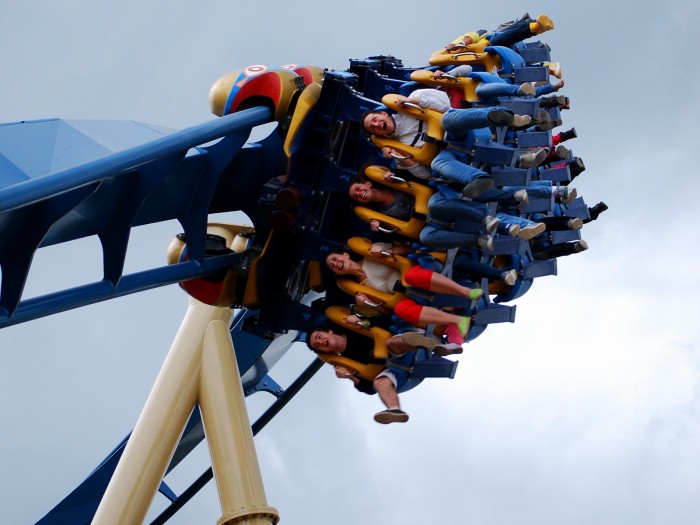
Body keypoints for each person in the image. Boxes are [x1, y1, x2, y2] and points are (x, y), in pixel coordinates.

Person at [361, 88, 533, 197]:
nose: (377, 124)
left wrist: (414, 102)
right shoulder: (397, 148)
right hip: (447, 153)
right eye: (373, 127)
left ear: (383, 114)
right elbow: (425, 174)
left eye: (375, 119)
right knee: (437, 164)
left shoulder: (410, 104)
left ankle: (498, 116)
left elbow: (444, 103)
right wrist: (403, 159)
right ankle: (479, 179)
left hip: (456, 131)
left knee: (448, 119)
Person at [325, 242, 479, 344]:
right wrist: (367, 303)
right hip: (407, 297)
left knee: (411, 277)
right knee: (400, 310)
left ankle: (464, 292)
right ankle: (455, 328)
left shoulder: (371, 253)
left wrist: (389, 251)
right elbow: (386, 311)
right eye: (332, 266)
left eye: (334, 259)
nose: (335, 263)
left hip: (413, 276)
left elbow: (408, 249)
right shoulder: (360, 289)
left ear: (344, 255)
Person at [306, 324, 460, 424]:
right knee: (380, 382)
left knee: (392, 344)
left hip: (394, 347)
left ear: (329, 330)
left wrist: (363, 321)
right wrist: (349, 376)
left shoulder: (351, 327)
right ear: (324, 351)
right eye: (318, 346)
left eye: (319, 337)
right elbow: (368, 388)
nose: (321, 342)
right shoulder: (343, 363)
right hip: (392, 370)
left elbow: (379, 323)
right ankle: (394, 409)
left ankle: (419, 342)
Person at [441, 14, 554, 52]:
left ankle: (536, 26)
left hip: (492, 42)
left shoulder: (451, 48)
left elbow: (474, 34)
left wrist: (458, 44)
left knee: (496, 40)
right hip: (494, 52)